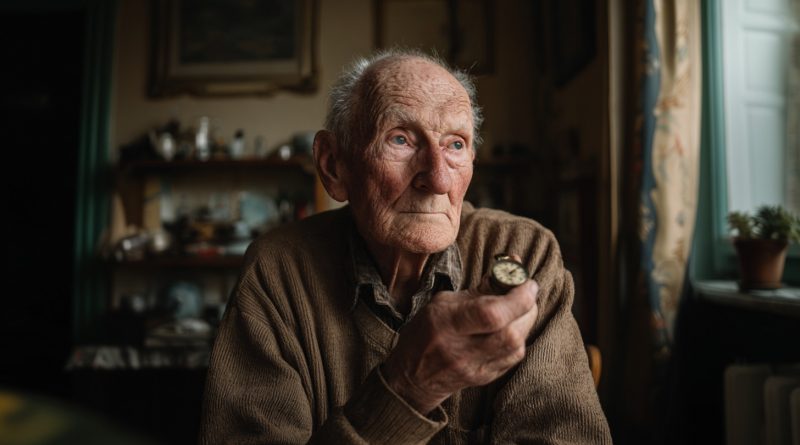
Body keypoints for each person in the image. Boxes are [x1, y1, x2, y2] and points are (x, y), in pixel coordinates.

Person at [198, 49, 612, 444]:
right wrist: (409, 388)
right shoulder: (278, 271)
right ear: (333, 165)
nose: (438, 179)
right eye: (400, 140)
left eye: (455, 144)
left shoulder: (524, 251)